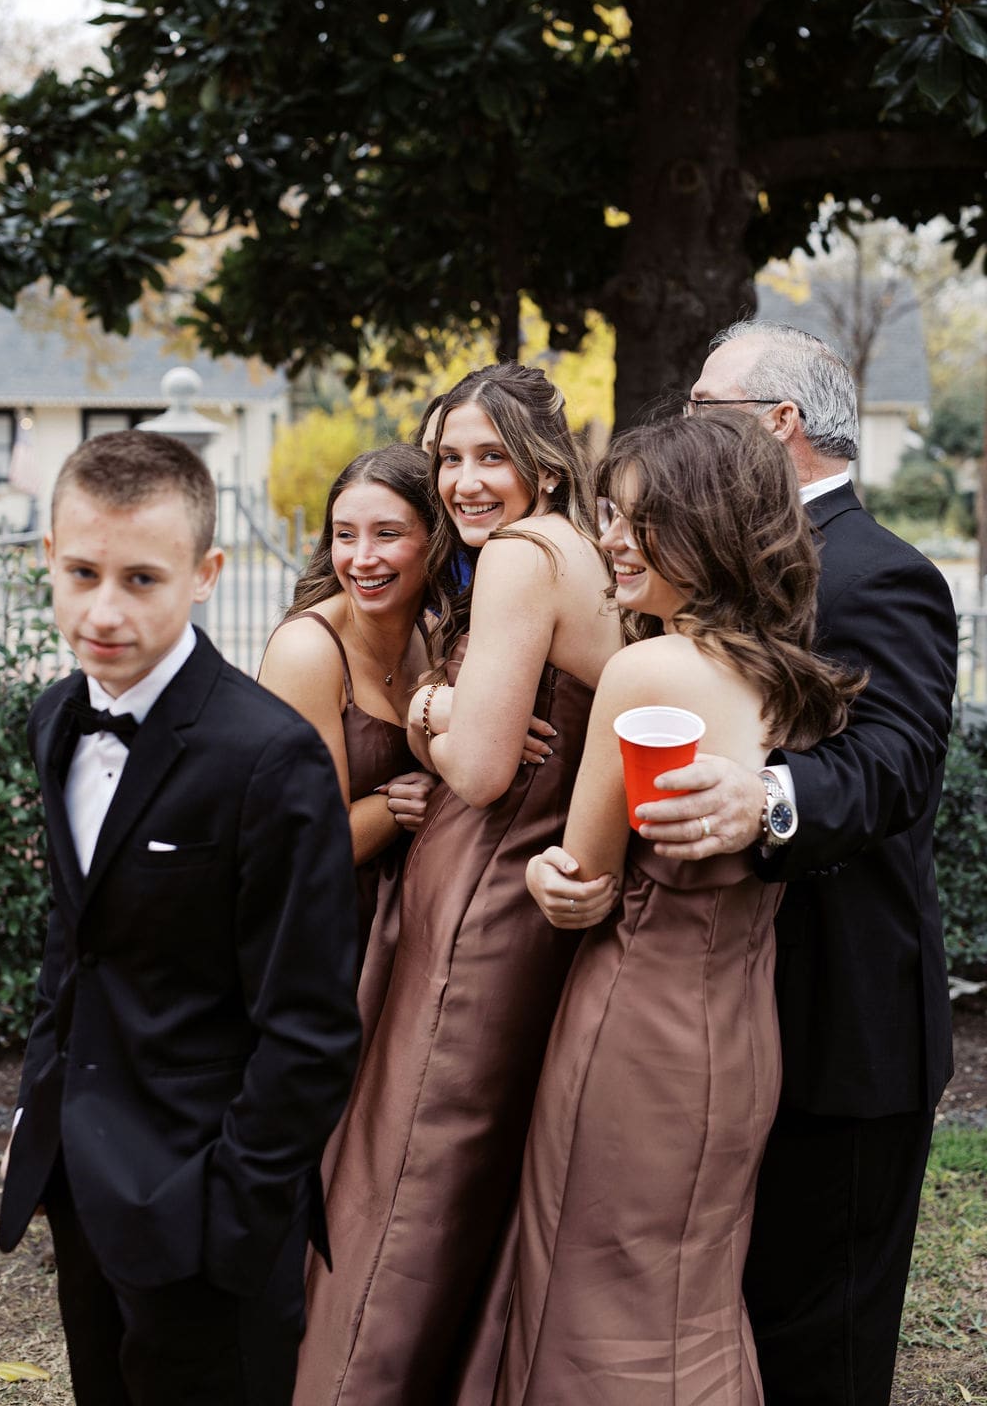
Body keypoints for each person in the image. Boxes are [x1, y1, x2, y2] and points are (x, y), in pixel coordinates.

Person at [531, 321, 959, 1406]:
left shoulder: (880, 571)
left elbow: (898, 766)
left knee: (821, 1336)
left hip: (839, 1025)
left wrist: (762, 799)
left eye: (701, 409)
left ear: (777, 425)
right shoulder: (696, 584)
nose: (682, 426)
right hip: (711, 1017)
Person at [0, 430, 361, 1406]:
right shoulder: (55, 720)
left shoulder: (270, 759)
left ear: (206, 575)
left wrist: (232, 1213)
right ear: (48, 560)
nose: (103, 610)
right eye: (81, 572)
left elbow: (313, 1028)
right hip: (83, 1184)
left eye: (142, 579)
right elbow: (75, 949)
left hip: (208, 1215)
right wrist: (46, 1118)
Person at [505, 411, 862, 1404]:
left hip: (633, 1027)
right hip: (740, 1029)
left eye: (641, 523)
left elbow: (582, 881)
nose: (614, 541)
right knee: (690, 1299)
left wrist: (545, 877)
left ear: (707, 530)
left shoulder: (647, 672)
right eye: (610, 518)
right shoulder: (789, 679)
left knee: (599, 1303)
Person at [294, 360, 623, 1406]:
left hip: (477, 915)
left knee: (400, 1189)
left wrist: (431, 713)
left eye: (491, 456)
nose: (464, 481)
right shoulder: (579, 552)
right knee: (447, 1191)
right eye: (448, 457)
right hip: (499, 912)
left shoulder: (526, 557)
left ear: (546, 465)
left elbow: (479, 770)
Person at [258, 444, 440, 970]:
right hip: (323, 939)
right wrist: (396, 806)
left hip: (407, 925)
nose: (361, 558)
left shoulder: (434, 635)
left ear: (434, 537)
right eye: (344, 535)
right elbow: (310, 847)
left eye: (387, 534)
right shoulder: (308, 650)